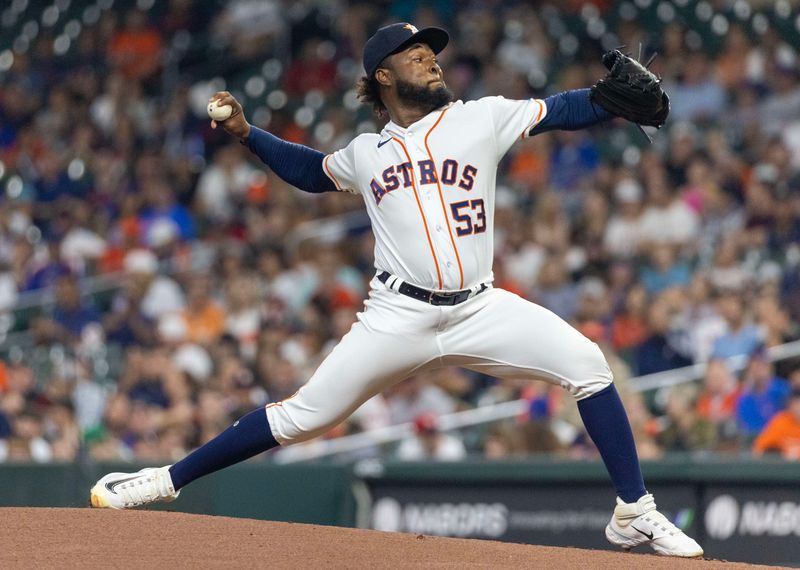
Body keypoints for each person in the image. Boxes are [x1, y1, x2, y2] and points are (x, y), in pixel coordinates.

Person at [89, 23, 702, 557]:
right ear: (383, 74)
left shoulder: (479, 117)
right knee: (302, 419)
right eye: (415, 55)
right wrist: (249, 133)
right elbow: (309, 171)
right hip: (397, 314)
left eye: (432, 53)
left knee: (589, 365)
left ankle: (633, 511)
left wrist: (609, 102)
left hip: (479, 307)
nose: (431, 60)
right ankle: (166, 479)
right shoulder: (366, 153)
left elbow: (565, 108)